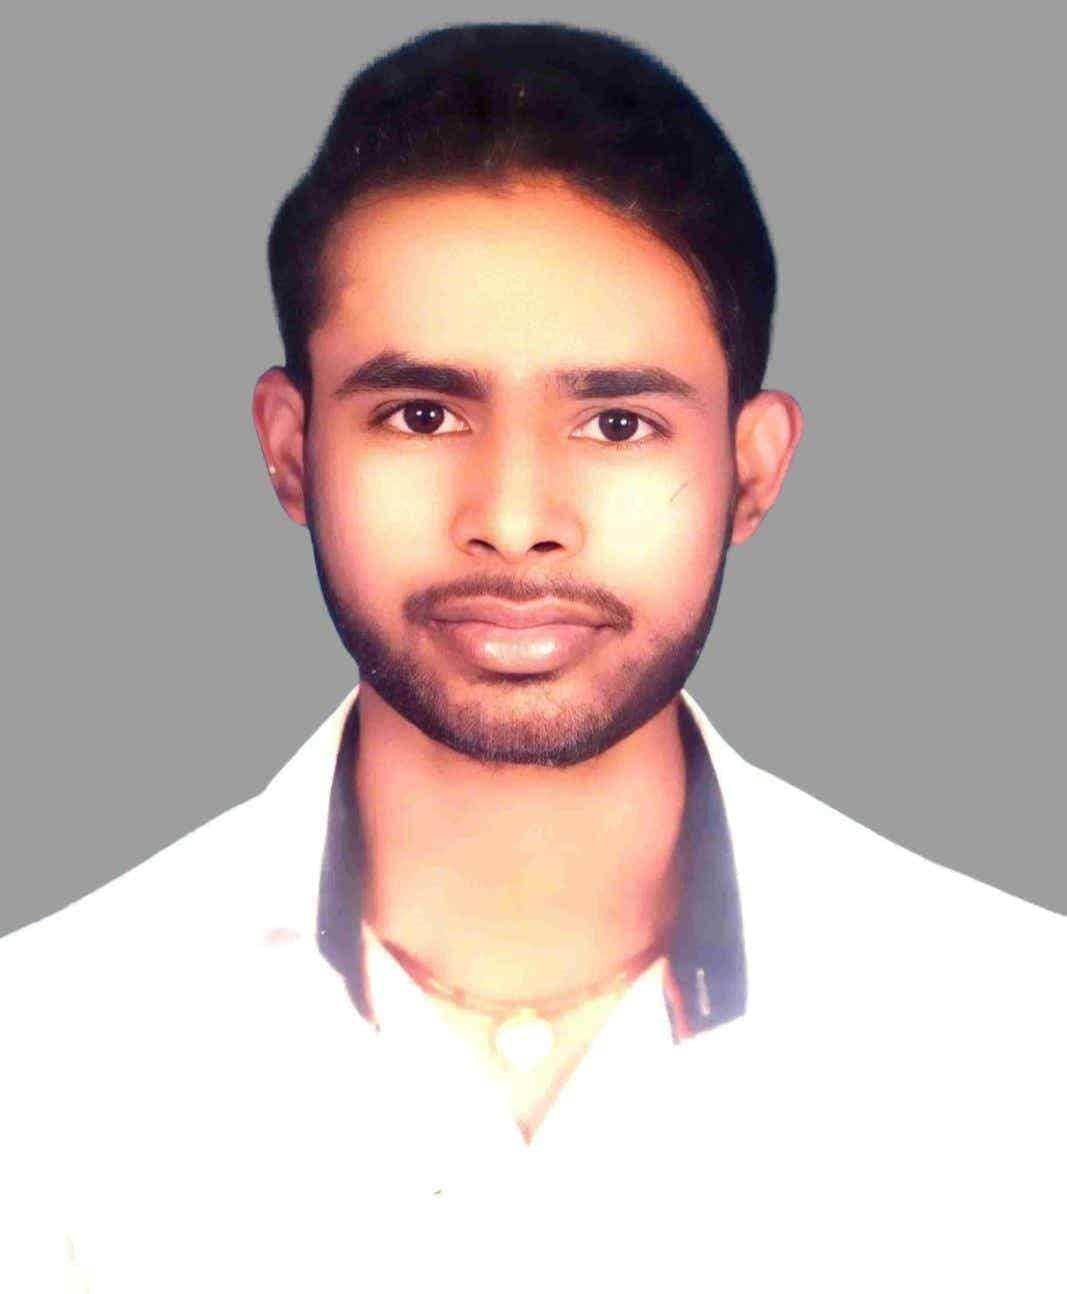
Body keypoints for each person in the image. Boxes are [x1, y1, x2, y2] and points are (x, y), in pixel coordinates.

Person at [1, 21, 1062, 1293]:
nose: (513, 519)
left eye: (617, 423)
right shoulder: (43, 1054)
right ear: (290, 450)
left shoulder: (1019, 1042)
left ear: (750, 467)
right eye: (421, 413)